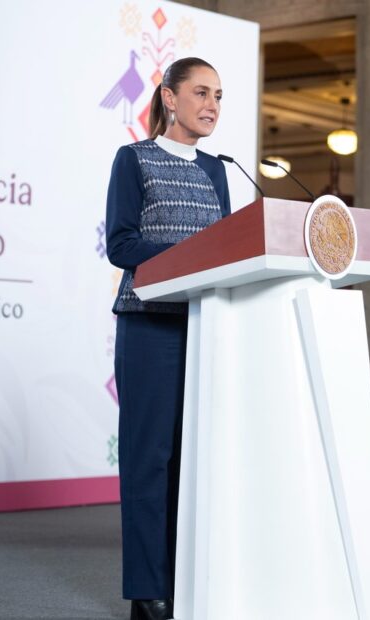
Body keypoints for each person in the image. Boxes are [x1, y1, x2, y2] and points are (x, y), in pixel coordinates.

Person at [106, 57, 231, 620]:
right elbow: (122, 245)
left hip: (206, 326)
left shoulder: (219, 170)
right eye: (201, 92)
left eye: (219, 96)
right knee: (149, 461)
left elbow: (230, 248)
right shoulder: (134, 159)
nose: (212, 105)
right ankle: (147, 592)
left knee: (193, 464)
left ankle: (185, 584)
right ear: (170, 98)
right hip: (149, 326)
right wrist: (191, 255)